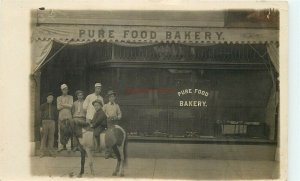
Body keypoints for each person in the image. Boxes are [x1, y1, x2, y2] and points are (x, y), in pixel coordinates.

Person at [102, 90, 122, 158]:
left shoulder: (117, 106)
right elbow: (103, 113)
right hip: (109, 123)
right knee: (108, 138)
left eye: (113, 97)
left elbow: (119, 114)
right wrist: (108, 116)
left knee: (114, 138)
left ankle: (114, 153)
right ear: (108, 98)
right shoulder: (106, 105)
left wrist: (117, 117)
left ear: (114, 98)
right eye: (110, 97)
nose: (111, 98)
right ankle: (107, 153)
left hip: (115, 123)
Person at [39, 92, 58, 157]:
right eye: (49, 97)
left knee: (51, 138)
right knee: (44, 137)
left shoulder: (54, 107)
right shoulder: (43, 106)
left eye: (52, 98)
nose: (50, 99)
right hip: (44, 122)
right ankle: (42, 153)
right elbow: (40, 116)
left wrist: (54, 122)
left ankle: (51, 152)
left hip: (52, 122)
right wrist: (40, 126)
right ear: (47, 98)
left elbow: (56, 116)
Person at [57, 84, 73, 151]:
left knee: (68, 132)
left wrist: (62, 104)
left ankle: (68, 147)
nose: (65, 91)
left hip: (68, 117)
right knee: (61, 132)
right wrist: (67, 105)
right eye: (63, 89)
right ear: (61, 90)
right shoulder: (58, 98)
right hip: (61, 117)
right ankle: (60, 147)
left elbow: (71, 106)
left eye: (66, 89)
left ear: (67, 90)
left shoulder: (70, 97)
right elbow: (58, 107)